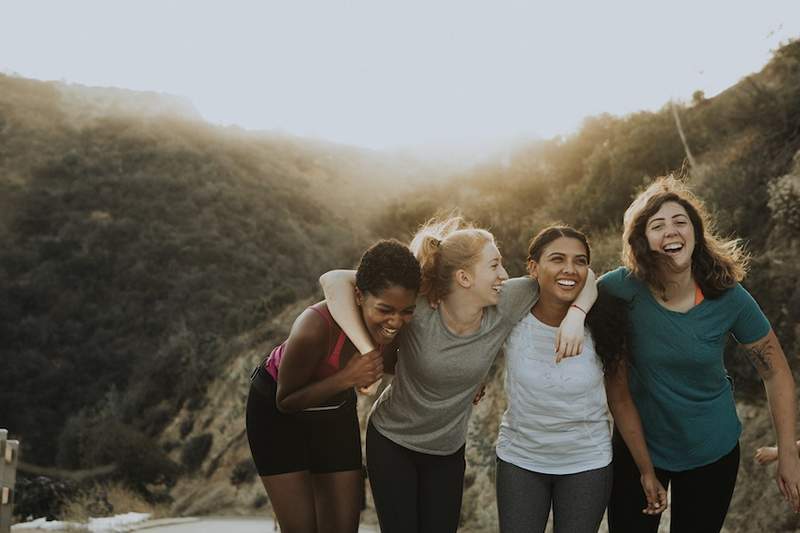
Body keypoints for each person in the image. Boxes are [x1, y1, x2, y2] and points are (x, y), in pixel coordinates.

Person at [320, 216, 596, 533]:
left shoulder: (507, 301)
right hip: (393, 442)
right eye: (494, 266)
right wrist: (367, 349)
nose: (504, 275)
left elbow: (580, 277)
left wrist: (576, 315)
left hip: (447, 452)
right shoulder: (419, 306)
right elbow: (334, 280)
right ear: (464, 277)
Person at [602, 177, 800, 532]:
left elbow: (776, 372)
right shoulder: (622, 287)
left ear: (695, 232)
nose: (671, 231)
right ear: (643, 241)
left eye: (680, 221)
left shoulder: (728, 296)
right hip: (639, 448)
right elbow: (575, 286)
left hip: (712, 449)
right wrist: (572, 318)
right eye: (657, 225)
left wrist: (787, 453)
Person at [495, 225, 667, 533]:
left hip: (586, 463)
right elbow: (473, 335)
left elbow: (621, 400)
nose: (569, 270)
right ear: (533, 267)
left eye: (580, 261)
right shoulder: (512, 313)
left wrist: (646, 470)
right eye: (557, 259)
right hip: (520, 459)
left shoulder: (605, 324)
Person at [245, 239, 421, 533]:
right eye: (385, 309)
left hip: (333, 412)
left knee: (342, 527)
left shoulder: (394, 328)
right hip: (276, 416)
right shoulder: (314, 327)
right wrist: (347, 378)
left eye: (407, 311)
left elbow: (403, 364)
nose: (396, 321)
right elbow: (285, 400)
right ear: (359, 295)